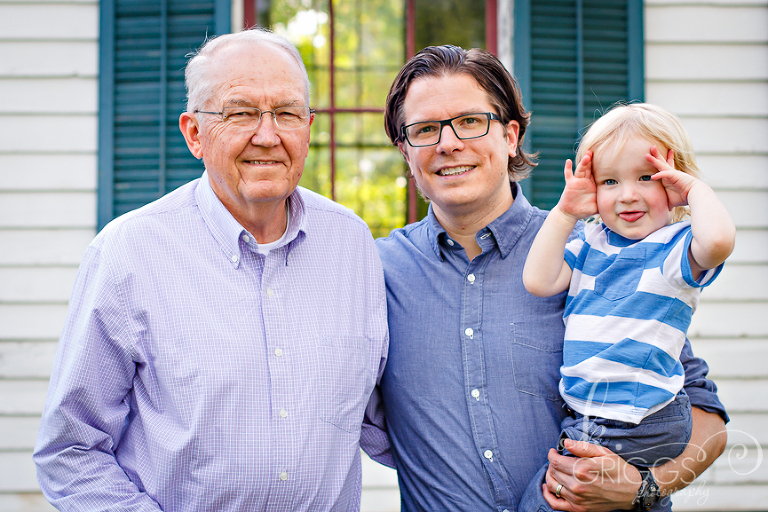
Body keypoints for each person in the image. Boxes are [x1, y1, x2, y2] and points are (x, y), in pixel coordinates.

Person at [33, 28, 388, 512]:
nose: (267, 135)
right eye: (240, 113)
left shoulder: (352, 246)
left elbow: (385, 419)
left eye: (286, 113)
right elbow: (70, 450)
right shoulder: (128, 254)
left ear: (308, 127)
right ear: (194, 133)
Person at [364, 45, 728, 511]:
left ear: (511, 135)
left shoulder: (598, 253)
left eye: (471, 121)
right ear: (405, 150)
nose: (448, 143)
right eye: (425, 129)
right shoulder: (375, 273)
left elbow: (705, 419)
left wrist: (644, 487)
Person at [519, 103, 736, 511]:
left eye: (646, 177)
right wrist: (566, 211)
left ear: (673, 181)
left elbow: (720, 242)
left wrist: (694, 191)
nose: (628, 194)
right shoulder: (589, 243)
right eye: (610, 181)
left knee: (546, 502)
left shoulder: (676, 248)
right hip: (591, 413)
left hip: (641, 416)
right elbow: (539, 279)